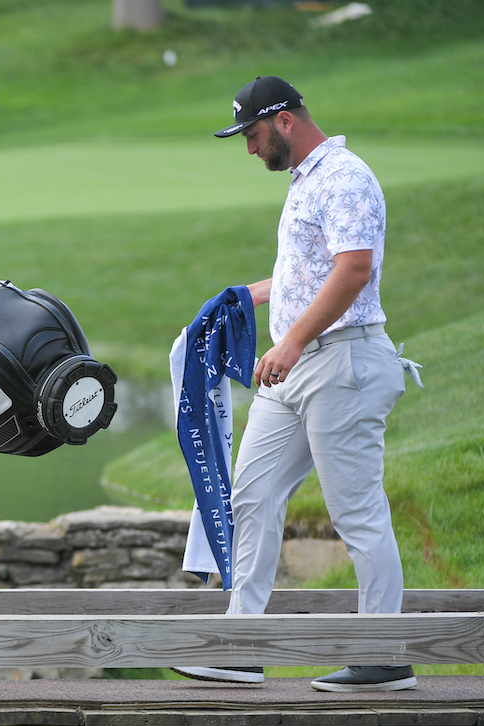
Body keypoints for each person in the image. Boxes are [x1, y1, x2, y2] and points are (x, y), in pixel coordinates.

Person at [173, 76, 417, 692]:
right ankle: (242, 647)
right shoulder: (306, 181)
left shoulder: (345, 176)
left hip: (344, 364)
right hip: (300, 366)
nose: (250, 149)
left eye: (252, 135)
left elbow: (354, 270)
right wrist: (247, 297)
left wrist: (291, 339)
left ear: (283, 121)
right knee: (251, 497)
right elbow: (309, 272)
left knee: (356, 510)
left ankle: (385, 653)